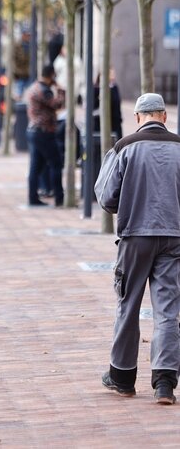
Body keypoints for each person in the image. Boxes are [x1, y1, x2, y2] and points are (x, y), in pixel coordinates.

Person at [96, 93, 180, 405]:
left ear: (137, 118)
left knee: (128, 305)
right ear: (164, 117)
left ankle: (122, 376)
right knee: (168, 309)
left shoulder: (124, 147)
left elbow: (106, 197)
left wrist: (129, 201)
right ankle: (165, 382)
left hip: (135, 236)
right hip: (174, 236)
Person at [24, 65, 64, 207]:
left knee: (36, 167)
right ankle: (59, 197)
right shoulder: (43, 91)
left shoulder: (34, 87)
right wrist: (60, 90)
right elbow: (57, 104)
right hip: (44, 132)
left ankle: (32, 197)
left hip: (34, 131)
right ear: (51, 75)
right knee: (56, 164)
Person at [93, 68, 123, 141]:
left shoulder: (114, 87)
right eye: (110, 74)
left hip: (115, 123)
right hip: (100, 124)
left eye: (113, 73)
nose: (113, 76)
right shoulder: (96, 89)